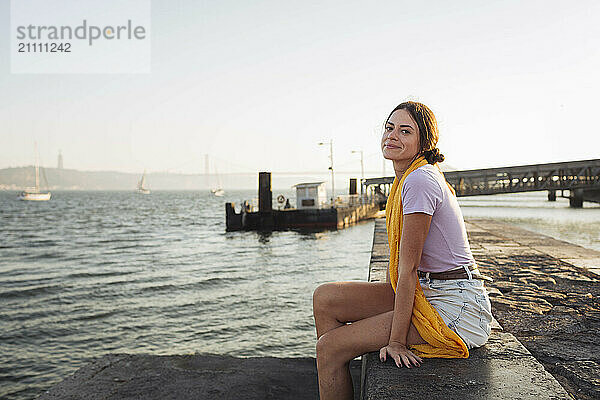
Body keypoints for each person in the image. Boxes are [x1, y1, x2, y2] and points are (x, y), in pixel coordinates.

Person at [312, 101, 493, 400]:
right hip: (431, 288)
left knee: (328, 348)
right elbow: (402, 270)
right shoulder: (407, 177)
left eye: (405, 131)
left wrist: (395, 341)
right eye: (389, 127)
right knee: (326, 298)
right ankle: (338, 370)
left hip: (457, 305)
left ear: (424, 141)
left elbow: (406, 269)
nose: (392, 136)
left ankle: (335, 359)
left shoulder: (420, 180)